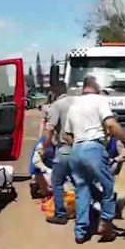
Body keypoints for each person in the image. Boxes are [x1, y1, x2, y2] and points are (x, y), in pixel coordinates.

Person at [64, 76, 125, 244]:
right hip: (94, 148)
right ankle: (105, 224)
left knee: (82, 191)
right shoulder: (100, 100)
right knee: (108, 188)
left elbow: (67, 135)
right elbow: (111, 124)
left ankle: (80, 232)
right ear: (96, 87)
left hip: (76, 150)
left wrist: (80, 146)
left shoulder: (73, 106)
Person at [43, 82, 77, 225]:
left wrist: (45, 146)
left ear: (54, 93)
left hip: (65, 150)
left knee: (57, 181)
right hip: (81, 148)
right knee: (80, 182)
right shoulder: (77, 102)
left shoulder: (58, 105)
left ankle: (61, 214)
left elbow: (50, 128)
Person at [29, 134, 56, 198]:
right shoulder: (41, 145)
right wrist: (47, 170)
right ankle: (37, 185)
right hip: (41, 172)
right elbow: (36, 162)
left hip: (53, 170)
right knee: (54, 190)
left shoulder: (59, 144)